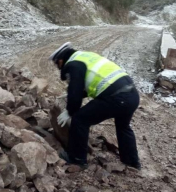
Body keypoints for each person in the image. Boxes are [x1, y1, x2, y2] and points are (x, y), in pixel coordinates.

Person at [49, 42, 141, 170]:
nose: (58, 67)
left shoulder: (72, 65)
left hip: (116, 97)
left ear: (60, 61)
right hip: (132, 95)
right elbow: (93, 83)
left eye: (57, 64)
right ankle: (132, 162)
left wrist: (69, 110)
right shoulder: (86, 56)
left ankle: (77, 159)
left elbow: (75, 91)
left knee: (80, 119)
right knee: (123, 126)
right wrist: (74, 96)